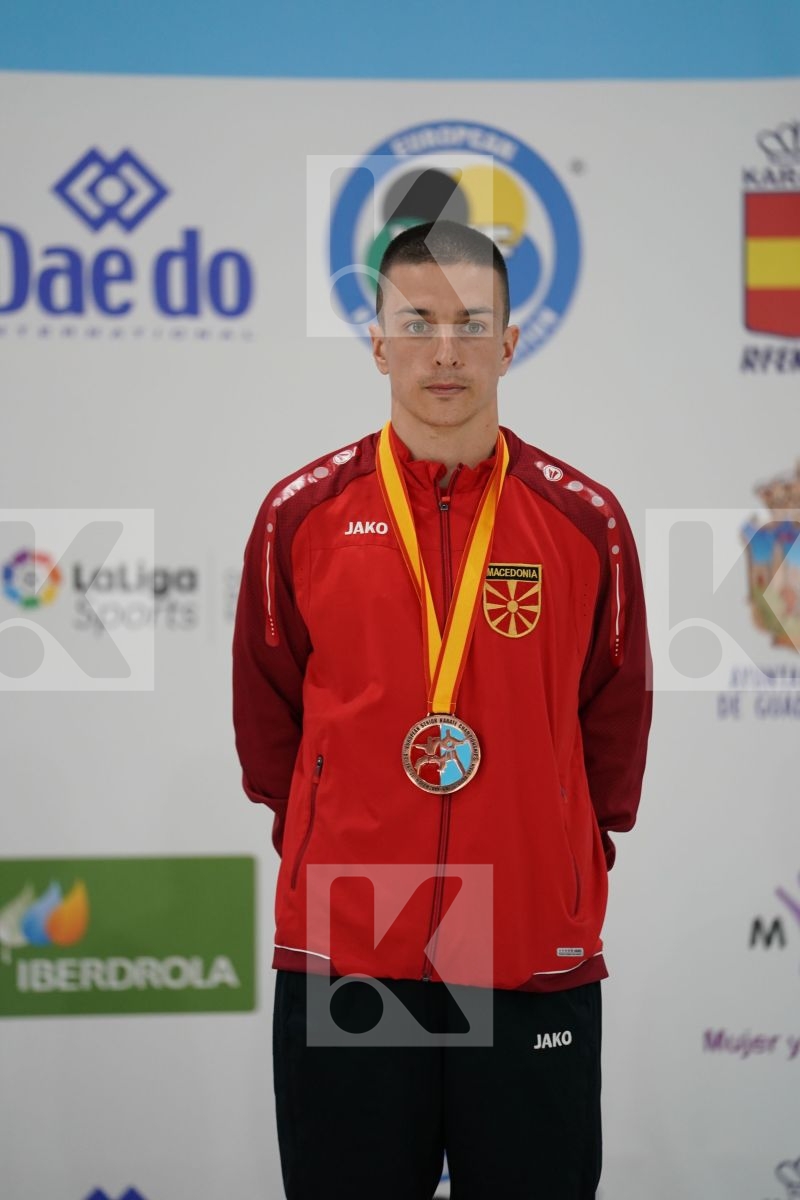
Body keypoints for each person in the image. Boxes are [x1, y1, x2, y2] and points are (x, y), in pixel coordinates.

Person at [232, 219, 652, 1199]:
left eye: (472, 323)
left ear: (511, 341)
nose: (445, 350)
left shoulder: (581, 522)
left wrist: (556, 851)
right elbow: (270, 727)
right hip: (353, 945)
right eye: (416, 322)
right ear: (376, 340)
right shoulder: (301, 514)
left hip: (523, 939)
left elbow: (611, 720)